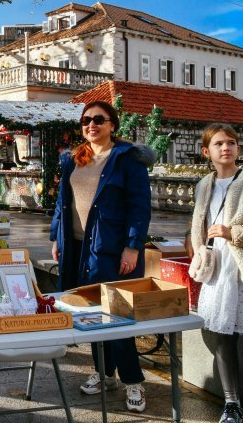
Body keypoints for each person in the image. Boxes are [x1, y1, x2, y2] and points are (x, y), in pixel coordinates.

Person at [49, 100, 154, 413]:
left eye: (99, 119)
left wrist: (133, 246)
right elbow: (61, 202)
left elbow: (140, 207)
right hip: (77, 249)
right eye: (86, 121)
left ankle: (133, 381)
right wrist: (56, 235)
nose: (91, 125)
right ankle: (105, 373)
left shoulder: (126, 159)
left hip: (111, 249)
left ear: (112, 125)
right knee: (90, 314)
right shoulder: (72, 159)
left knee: (119, 316)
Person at [190, 124, 243, 423]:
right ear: (207, 152)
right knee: (223, 336)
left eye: (231, 143)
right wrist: (200, 250)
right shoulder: (203, 185)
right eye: (218, 144)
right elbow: (197, 227)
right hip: (218, 269)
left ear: (238, 149)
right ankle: (232, 404)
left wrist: (233, 232)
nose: (226, 147)